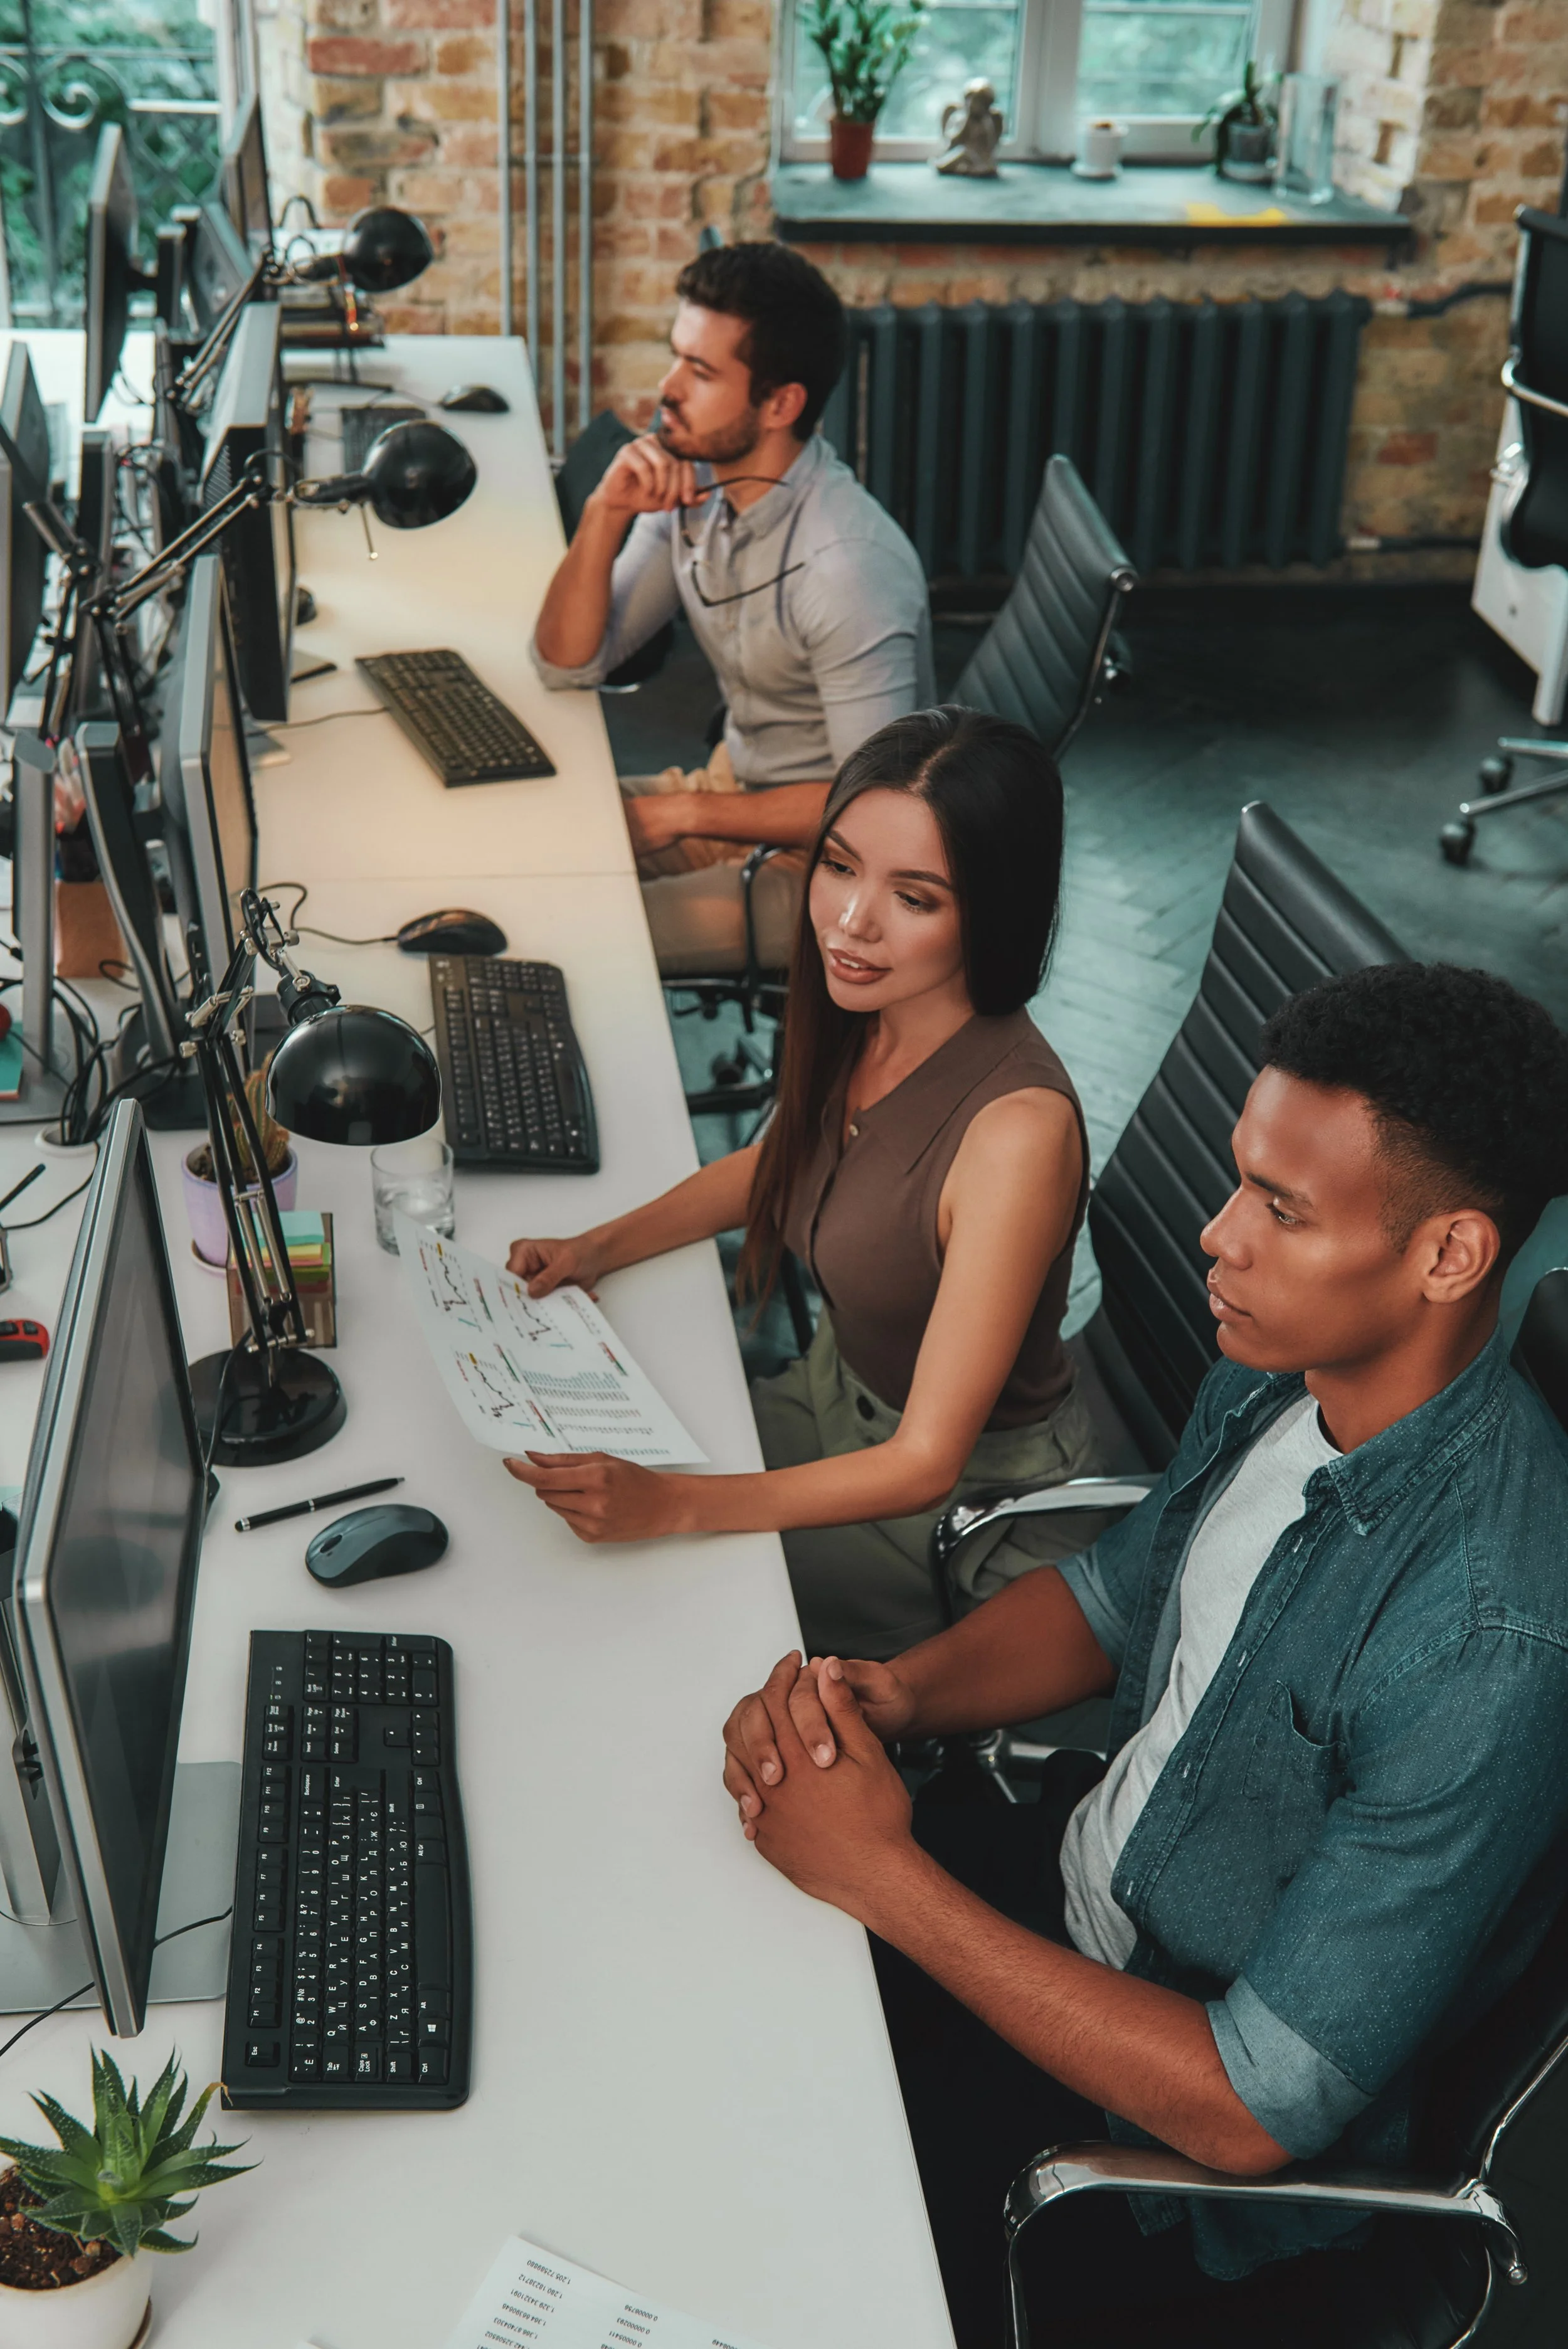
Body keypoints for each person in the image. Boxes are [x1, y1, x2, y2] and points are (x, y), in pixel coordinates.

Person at [719, 960, 1568, 2347]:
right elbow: (1118, 1596)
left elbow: (1249, 2104)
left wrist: (877, 1872)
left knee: (765, 2221)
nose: (1213, 1236)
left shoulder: (1484, 1643)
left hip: (1160, 2160)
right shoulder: (1277, 1373)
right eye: (1238, 1181)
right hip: (1086, 1886)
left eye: (1279, 1211)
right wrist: (899, 1695)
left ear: (1446, 1255)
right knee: (715, 1956)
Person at [502, 706, 1101, 1657]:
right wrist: (596, 1247)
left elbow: (923, 1462)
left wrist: (679, 1506)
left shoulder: (1016, 1134)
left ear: (995, 909)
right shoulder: (877, 1008)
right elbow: (785, 1164)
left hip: (950, 1517)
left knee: (641, 1599)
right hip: (831, 1405)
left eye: (916, 897)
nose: (850, 921)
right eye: (837, 865)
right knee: (547, 1509)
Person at [531, 243, 933, 979]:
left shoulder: (845, 568)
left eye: (702, 371)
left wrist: (678, 817)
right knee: (524, 840)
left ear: (781, 404)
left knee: (575, 931)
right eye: (676, 357)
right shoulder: (696, 484)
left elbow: (870, 817)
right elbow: (567, 662)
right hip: (739, 792)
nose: (667, 388)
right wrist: (603, 511)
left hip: (838, 875)